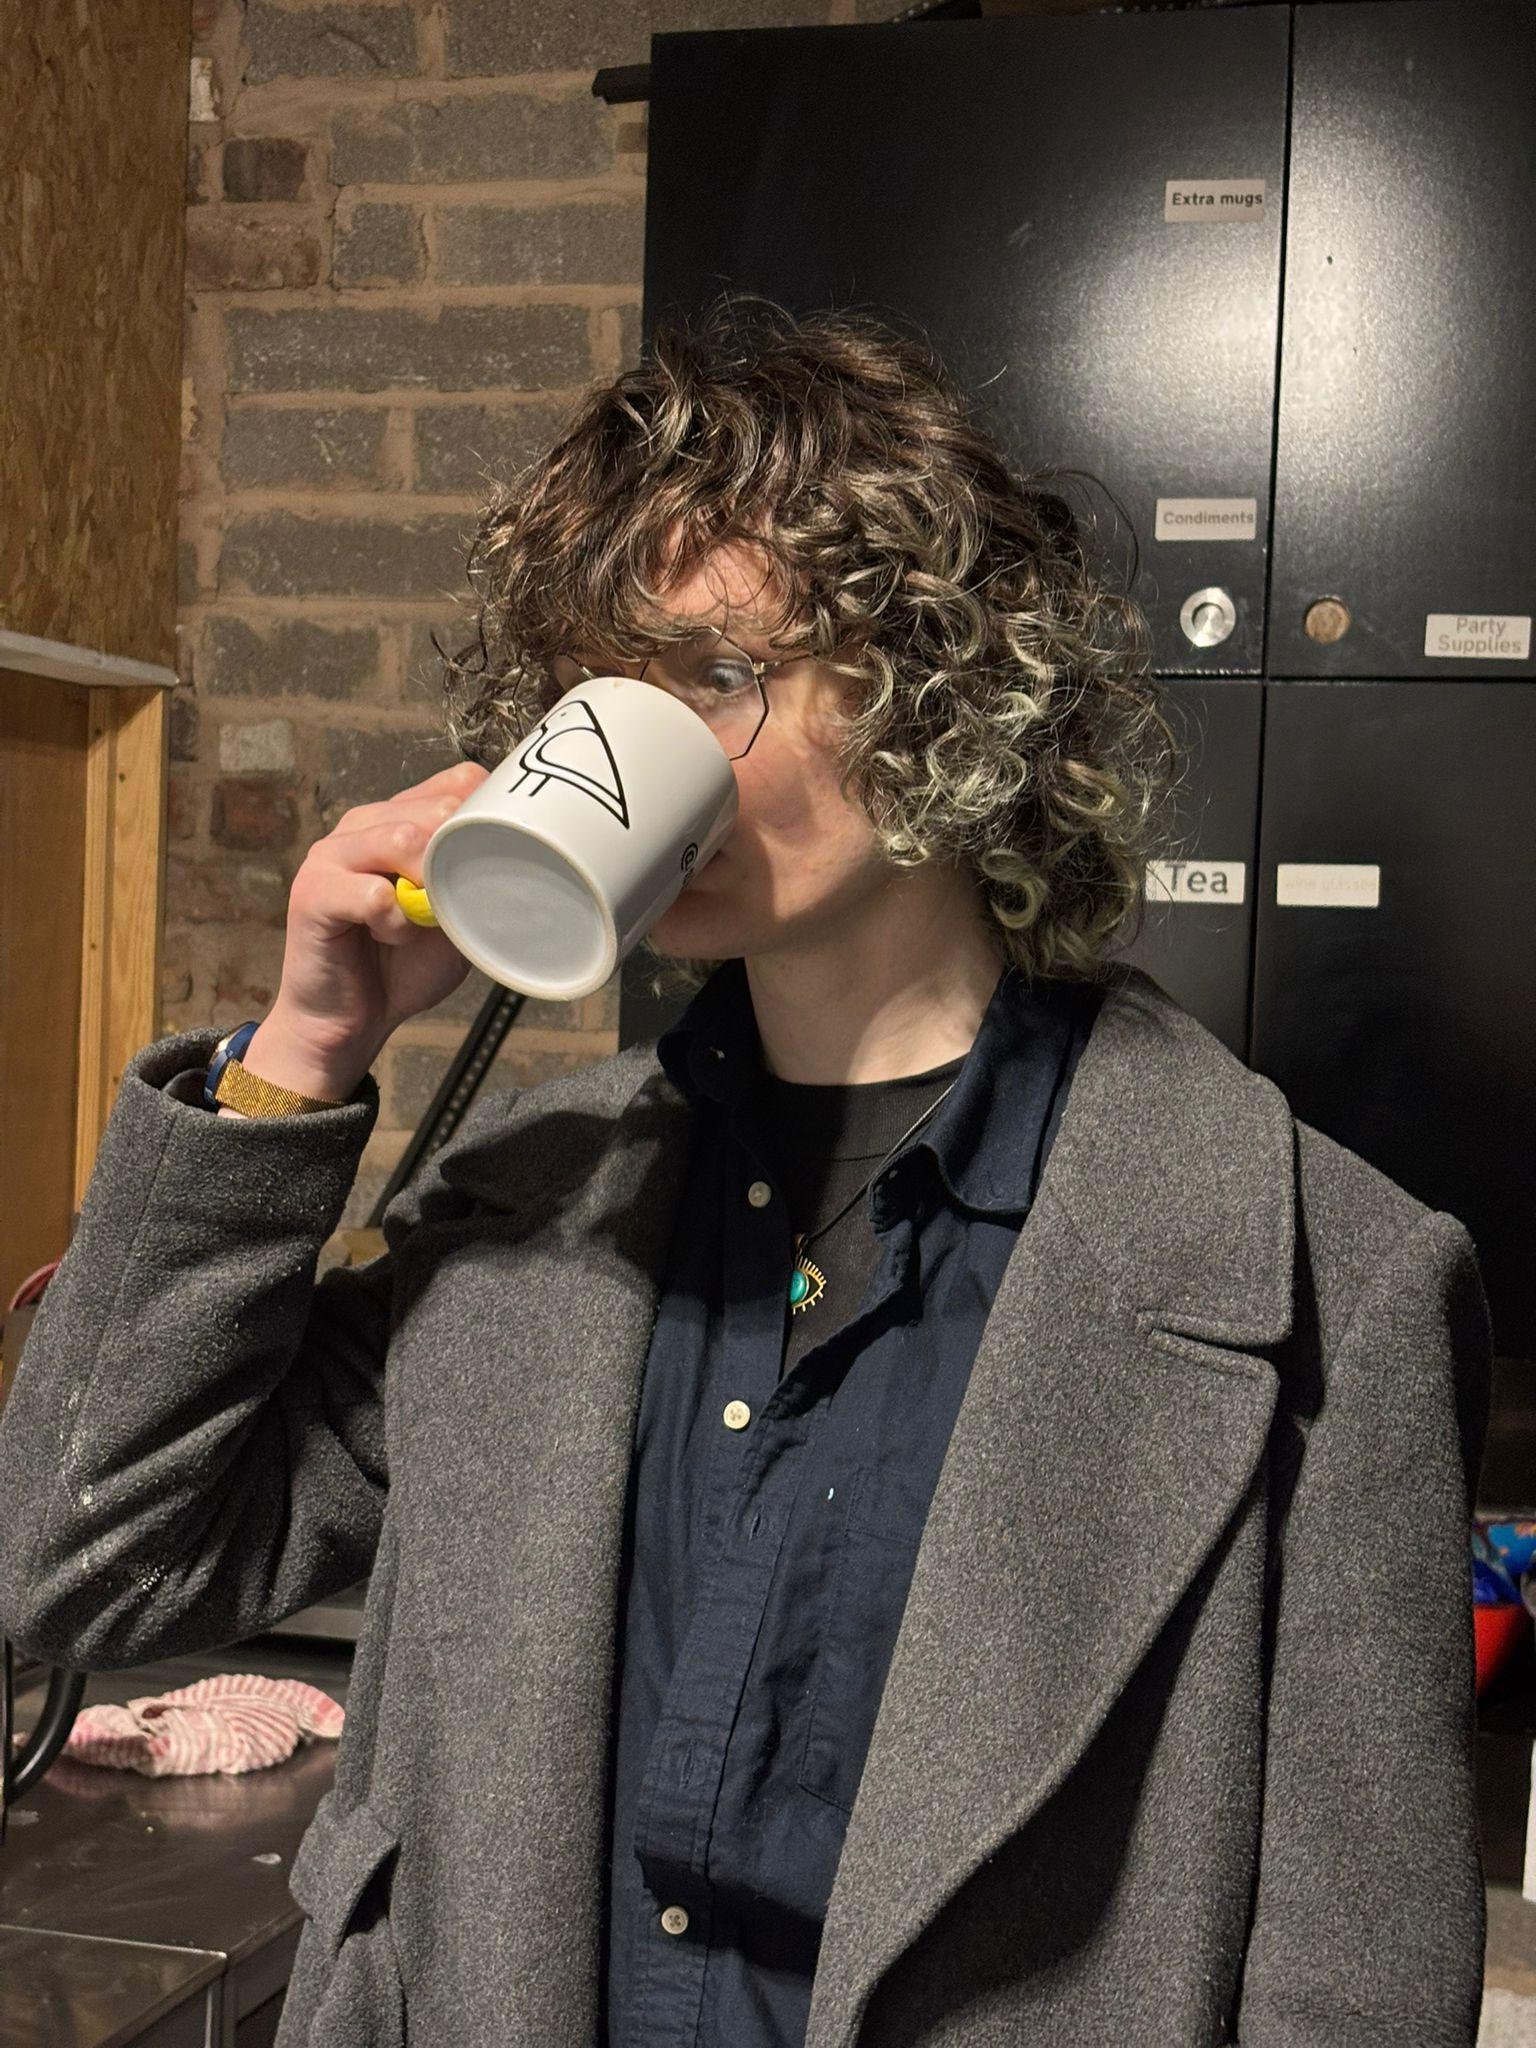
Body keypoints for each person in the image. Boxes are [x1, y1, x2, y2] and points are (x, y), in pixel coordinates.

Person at [0, 296, 1492, 2048]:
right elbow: (88, 1570)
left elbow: (1357, 1986)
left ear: (937, 689)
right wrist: (304, 1052)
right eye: (594, 690)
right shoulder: (528, 1201)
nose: (651, 745)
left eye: (717, 674)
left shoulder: (1332, 1278)